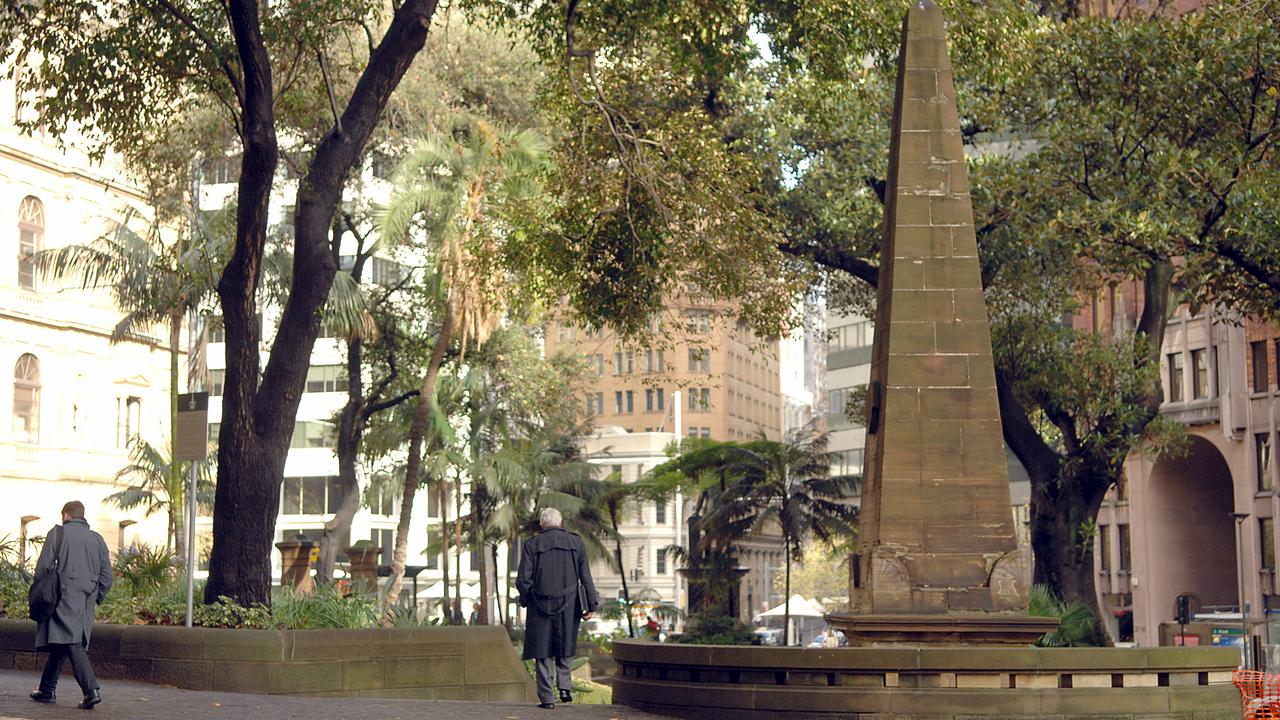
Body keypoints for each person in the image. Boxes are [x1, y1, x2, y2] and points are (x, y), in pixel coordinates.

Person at [29, 501, 113, 710]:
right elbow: (107, 576)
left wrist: (40, 595)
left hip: (62, 595)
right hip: (86, 599)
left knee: (71, 643)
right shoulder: (97, 539)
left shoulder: (57, 534)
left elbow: (42, 569)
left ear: (66, 515)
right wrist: (97, 595)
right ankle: (47, 689)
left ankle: (91, 690)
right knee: (64, 640)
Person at [517, 508, 598, 710]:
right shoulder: (576, 542)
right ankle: (565, 688)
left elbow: (523, 580)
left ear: (542, 524)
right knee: (565, 644)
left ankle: (547, 699)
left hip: (539, 604)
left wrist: (526, 599)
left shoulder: (532, 544)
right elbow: (585, 577)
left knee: (542, 650)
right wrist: (590, 604)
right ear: (561, 523)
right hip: (569, 603)